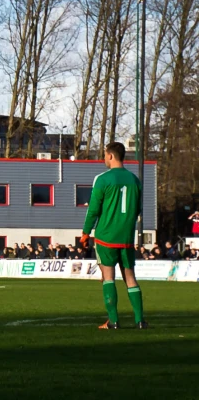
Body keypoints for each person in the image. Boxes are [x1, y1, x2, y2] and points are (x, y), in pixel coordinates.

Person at [83, 141, 146, 329]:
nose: (104, 158)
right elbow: (138, 210)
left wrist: (86, 232)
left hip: (106, 237)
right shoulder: (135, 180)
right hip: (126, 238)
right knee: (130, 277)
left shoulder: (102, 179)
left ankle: (113, 320)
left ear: (110, 155)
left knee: (108, 277)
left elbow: (93, 210)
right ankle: (140, 320)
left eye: (104, 155)